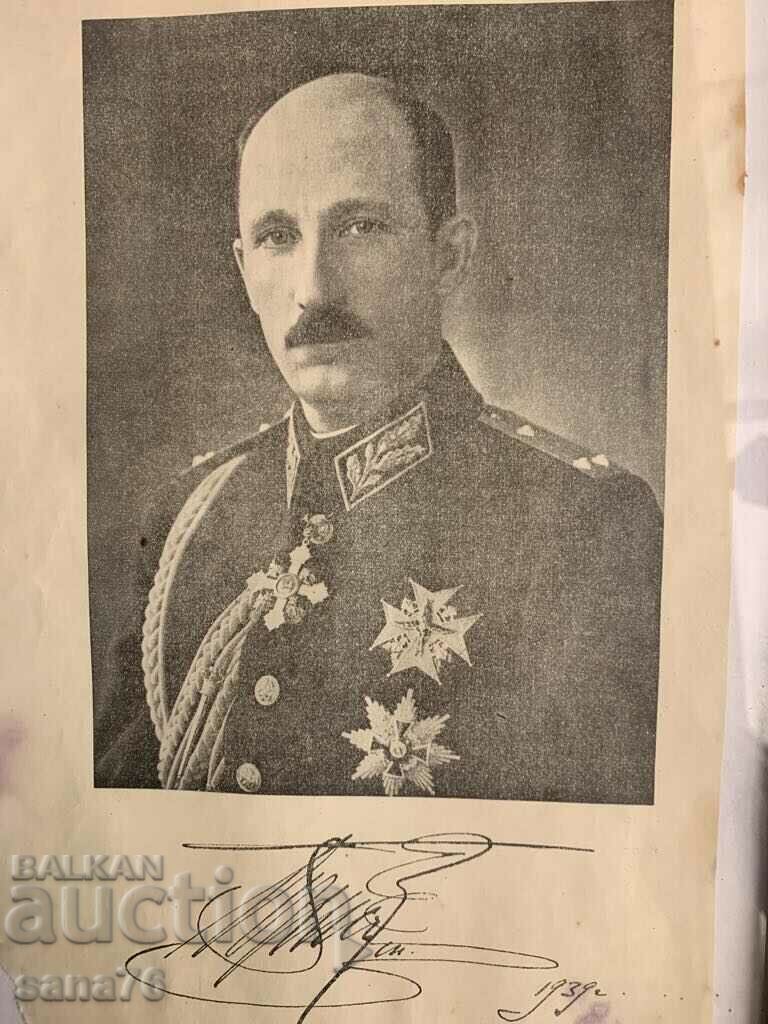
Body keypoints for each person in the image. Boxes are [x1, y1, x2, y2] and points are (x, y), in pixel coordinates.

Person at [95, 72, 662, 802]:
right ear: (242, 269)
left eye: (361, 226)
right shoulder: (187, 519)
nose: (314, 289)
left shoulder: (585, 527)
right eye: (277, 237)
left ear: (448, 255)